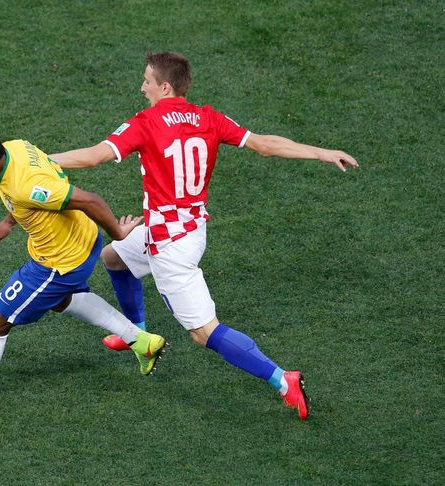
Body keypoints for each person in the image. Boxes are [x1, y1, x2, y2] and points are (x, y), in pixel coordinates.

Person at [50, 51, 359, 420]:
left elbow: (92, 157)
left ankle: (282, 378)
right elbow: (264, 144)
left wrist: (39, 159)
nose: (142, 87)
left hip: (169, 246)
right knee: (114, 257)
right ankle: (139, 337)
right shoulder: (207, 117)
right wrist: (322, 153)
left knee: (203, 332)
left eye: (147, 81)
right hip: (187, 228)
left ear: (165, 86)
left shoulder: (146, 121)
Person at [0, 121, 168, 405]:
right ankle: (142, 342)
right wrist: (9, 221)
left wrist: (119, 233)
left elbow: (90, 200)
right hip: (81, 239)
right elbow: (37, 185)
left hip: (59, 263)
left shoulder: (26, 186)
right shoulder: (16, 148)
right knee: (60, 300)